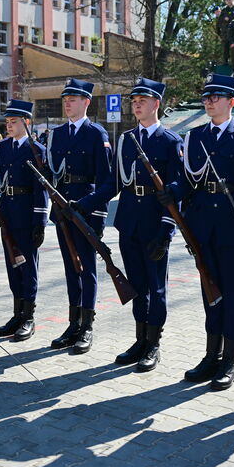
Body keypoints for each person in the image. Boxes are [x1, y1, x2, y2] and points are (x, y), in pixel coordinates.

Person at [157, 74, 234, 389]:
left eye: (215, 97)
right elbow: (188, 180)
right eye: (206, 97)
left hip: (232, 224)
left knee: (233, 293)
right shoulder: (195, 137)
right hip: (203, 224)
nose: (208, 102)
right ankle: (211, 355)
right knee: (210, 291)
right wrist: (173, 190)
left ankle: (229, 359)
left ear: (231, 102)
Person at [76, 78, 183, 372]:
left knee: (156, 287)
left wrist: (166, 231)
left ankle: (154, 344)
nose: (136, 105)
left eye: (142, 101)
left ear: (156, 104)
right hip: (129, 222)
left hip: (155, 223)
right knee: (136, 285)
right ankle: (140, 340)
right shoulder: (126, 139)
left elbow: (176, 192)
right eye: (134, 101)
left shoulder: (170, 141)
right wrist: (85, 204)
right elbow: (113, 183)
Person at [45, 78, 112, 354]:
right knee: (71, 268)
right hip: (63, 210)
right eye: (65, 99)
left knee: (87, 268)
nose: (67, 103)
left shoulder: (97, 134)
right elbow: (51, 173)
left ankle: (87, 326)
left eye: (73, 99)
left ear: (86, 102)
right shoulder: (57, 134)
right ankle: (73, 323)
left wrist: (96, 213)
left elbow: (107, 181)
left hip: (86, 210)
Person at [0, 100, 49, 342]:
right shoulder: (3, 147)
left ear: (26, 122)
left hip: (26, 214)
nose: (9, 126)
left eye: (13, 122)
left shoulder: (36, 150)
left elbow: (41, 189)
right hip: (8, 212)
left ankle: (28, 316)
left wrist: (40, 221)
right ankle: (17, 314)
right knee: (12, 265)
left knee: (28, 266)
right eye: (7, 122)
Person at [217, 0, 234, 64]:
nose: (229, 1)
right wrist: (224, 19)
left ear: (233, 0)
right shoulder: (224, 10)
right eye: (227, 0)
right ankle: (225, 63)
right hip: (226, 33)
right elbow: (219, 21)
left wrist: (230, 18)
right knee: (225, 49)